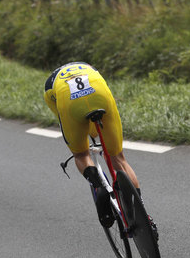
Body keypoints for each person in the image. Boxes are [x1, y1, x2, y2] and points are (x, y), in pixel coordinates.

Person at [43, 61, 157, 237]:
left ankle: (99, 187)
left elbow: (62, 116)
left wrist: (84, 133)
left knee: (80, 154)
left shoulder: (50, 85)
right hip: (98, 91)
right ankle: (144, 215)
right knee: (117, 157)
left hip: (68, 99)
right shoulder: (91, 69)